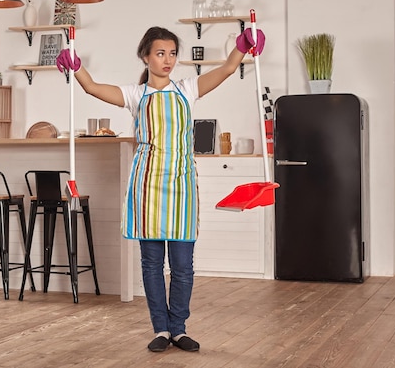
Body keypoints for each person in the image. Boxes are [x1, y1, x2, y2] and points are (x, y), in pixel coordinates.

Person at [56, 26, 265, 352]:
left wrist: (243, 45)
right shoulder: (136, 95)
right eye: (160, 53)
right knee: (152, 265)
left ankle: (179, 329)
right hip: (147, 187)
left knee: (182, 266)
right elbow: (92, 88)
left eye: (171, 54)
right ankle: (161, 330)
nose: (167, 60)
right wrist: (75, 64)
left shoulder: (188, 89)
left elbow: (226, 68)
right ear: (146, 56)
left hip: (181, 187)